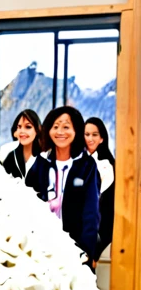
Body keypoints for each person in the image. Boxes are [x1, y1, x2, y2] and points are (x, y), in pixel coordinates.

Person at [26, 106, 100, 263]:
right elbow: (26, 201)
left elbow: (91, 211)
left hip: (75, 247)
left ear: (76, 130)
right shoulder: (40, 163)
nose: (60, 132)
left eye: (66, 127)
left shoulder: (86, 165)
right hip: (42, 246)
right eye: (55, 127)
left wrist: (87, 249)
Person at [84, 116, 115, 262]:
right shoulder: (76, 161)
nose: (90, 138)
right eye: (86, 134)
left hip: (98, 228)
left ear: (102, 138)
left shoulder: (106, 165)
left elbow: (99, 198)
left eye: (94, 135)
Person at [2, 110, 41, 179]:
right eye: (19, 127)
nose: (22, 131)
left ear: (37, 130)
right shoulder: (11, 157)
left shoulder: (46, 157)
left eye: (28, 127)